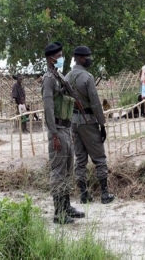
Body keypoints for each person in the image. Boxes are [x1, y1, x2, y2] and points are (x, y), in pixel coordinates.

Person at [41, 42, 85, 224]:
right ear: (51, 58)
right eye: (59, 56)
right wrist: (54, 134)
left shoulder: (58, 77)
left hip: (65, 128)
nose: (61, 59)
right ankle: (59, 212)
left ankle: (66, 207)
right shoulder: (49, 79)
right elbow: (48, 109)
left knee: (67, 170)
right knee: (58, 172)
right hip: (57, 130)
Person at [65, 45, 115, 205]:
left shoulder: (66, 77)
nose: (89, 59)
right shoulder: (87, 77)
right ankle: (105, 194)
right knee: (99, 158)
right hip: (88, 121)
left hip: (73, 121)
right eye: (88, 57)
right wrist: (102, 125)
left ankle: (84, 194)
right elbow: (95, 103)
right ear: (81, 58)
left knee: (80, 159)